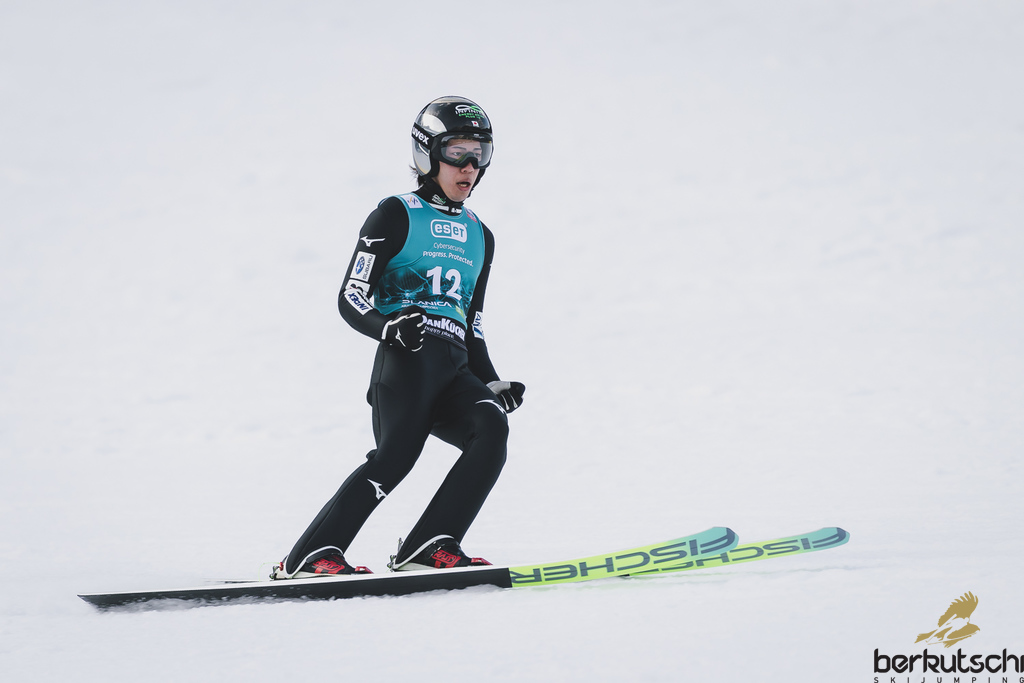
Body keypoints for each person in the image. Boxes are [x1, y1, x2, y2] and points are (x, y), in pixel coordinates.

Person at [272, 96, 525, 579]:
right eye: (457, 152)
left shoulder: (481, 234)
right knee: (394, 460)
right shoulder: (396, 213)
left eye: (480, 155)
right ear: (427, 154)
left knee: (490, 427)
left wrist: (491, 380)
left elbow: (471, 320)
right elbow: (351, 295)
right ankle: (311, 554)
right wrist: (387, 327)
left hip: (456, 367)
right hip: (408, 361)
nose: (469, 167)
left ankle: (431, 543)